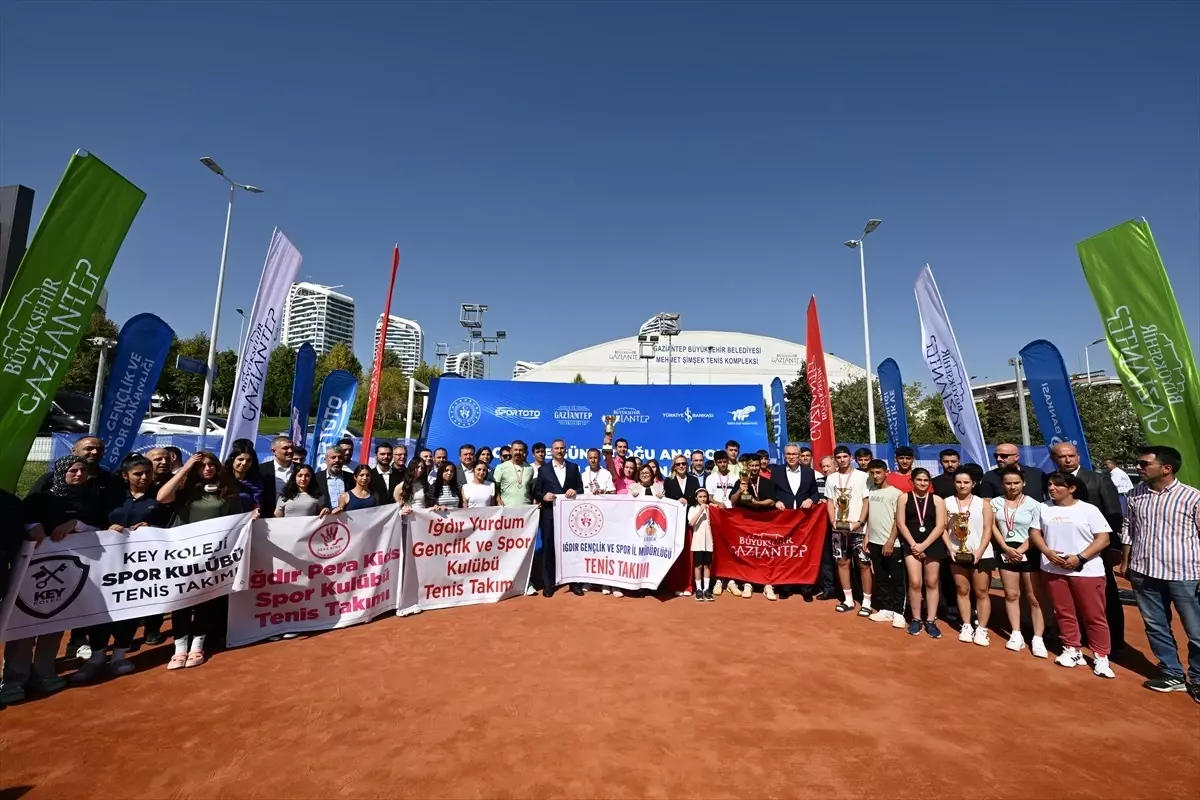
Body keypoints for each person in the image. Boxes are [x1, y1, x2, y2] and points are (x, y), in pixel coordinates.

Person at [2, 456, 106, 701]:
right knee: (25, 624)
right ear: (60, 472)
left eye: (82, 471)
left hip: (71, 573)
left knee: (54, 624)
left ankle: (45, 673)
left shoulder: (91, 499)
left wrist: (77, 524)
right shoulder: (40, 498)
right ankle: (14, 680)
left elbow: (101, 528)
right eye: (73, 470)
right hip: (31, 572)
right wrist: (33, 525)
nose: (79, 474)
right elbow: (20, 519)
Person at [71, 456, 173, 683]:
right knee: (102, 608)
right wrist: (108, 528)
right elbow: (94, 522)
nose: (144, 477)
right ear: (126, 476)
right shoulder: (111, 497)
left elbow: (169, 527)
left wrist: (152, 527)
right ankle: (97, 656)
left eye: (147, 473)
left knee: (131, 607)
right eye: (138, 474)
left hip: (141, 566)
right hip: (106, 564)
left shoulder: (158, 499)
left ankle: (120, 654)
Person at [1118, 446, 1200, 700]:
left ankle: (1197, 678)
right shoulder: (1134, 494)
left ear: (1167, 468)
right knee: (1156, 626)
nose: (1139, 468)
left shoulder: (1192, 498)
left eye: (1144, 464)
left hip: (1185, 574)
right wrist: (1126, 560)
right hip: (1144, 571)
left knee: (1196, 630)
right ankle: (1172, 673)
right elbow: (1129, 528)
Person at [156, 451, 243, 669]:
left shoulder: (228, 492)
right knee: (181, 600)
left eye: (211, 464)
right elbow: (162, 497)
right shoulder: (185, 490)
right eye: (202, 465)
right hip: (182, 555)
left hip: (212, 555)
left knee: (204, 598)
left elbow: (237, 521)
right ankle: (179, 647)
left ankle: (197, 645)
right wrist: (185, 468)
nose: (207, 468)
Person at [1032, 471, 1115, 678]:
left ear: (1071, 488)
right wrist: (1047, 552)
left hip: (1087, 571)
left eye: (1057, 485)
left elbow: (1103, 539)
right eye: (1050, 484)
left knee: (1094, 616)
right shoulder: (1042, 508)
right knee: (1063, 612)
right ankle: (1072, 649)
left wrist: (1080, 558)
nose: (1052, 488)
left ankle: (1101, 657)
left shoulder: (1089, 510)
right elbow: (1035, 533)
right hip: (1053, 569)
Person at [1048, 442, 1125, 653]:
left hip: (1095, 551)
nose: (1067, 460)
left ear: (1078, 456)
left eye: (1071, 456)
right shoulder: (1051, 482)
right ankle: (1073, 639)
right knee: (1065, 598)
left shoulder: (1099, 479)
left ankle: (1115, 642)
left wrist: (1113, 548)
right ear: (1054, 459)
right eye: (1062, 457)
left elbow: (1114, 515)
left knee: (1105, 597)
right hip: (1061, 551)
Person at [991, 466, 1047, 657]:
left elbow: (1036, 531)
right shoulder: (996, 503)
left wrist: (1021, 550)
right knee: (1011, 594)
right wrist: (1005, 548)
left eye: (1016, 483)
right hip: (1006, 551)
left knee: (1034, 597)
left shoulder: (1034, 504)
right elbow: (993, 527)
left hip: (1028, 551)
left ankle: (1038, 638)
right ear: (1002, 484)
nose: (1012, 486)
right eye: (1008, 483)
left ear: (1023, 483)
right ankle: (1016, 633)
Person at [946, 466, 996, 646]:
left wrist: (980, 551)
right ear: (954, 483)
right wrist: (950, 548)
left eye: (966, 482)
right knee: (962, 590)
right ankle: (966, 625)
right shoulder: (947, 502)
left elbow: (988, 529)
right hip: (956, 553)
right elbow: (943, 529)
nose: (962, 485)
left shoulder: (983, 504)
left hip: (981, 553)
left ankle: (982, 629)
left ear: (973, 484)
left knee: (981, 592)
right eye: (958, 482)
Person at [897, 468, 947, 638]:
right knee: (915, 582)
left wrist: (923, 545)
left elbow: (941, 525)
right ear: (912, 481)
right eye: (919, 480)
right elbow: (901, 524)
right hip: (911, 545)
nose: (923, 483)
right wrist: (914, 545)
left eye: (926, 480)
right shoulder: (904, 498)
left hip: (932, 543)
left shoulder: (937, 500)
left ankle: (931, 620)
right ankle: (916, 618)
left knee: (932, 582)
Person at [771, 444, 821, 601]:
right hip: (783, 521)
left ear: (800, 455)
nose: (791, 457)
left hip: (803, 521)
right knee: (785, 554)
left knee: (803, 554)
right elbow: (772, 492)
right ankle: (786, 587)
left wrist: (810, 499)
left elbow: (815, 493)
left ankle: (805, 588)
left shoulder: (809, 472)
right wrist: (776, 501)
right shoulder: (777, 471)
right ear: (784, 456)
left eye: (794, 454)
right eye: (788, 454)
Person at [826, 445, 872, 615]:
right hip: (839, 528)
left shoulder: (863, 476)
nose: (842, 459)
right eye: (838, 457)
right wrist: (832, 521)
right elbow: (830, 501)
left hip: (858, 528)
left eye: (845, 456)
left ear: (851, 457)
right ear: (835, 459)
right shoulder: (831, 478)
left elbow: (867, 501)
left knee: (864, 564)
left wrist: (860, 522)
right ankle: (848, 599)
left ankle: (867, 601)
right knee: (842, 562)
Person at [534, 439, 584, 597]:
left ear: (566, 450)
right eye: (556, 448)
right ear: (552, 450)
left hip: (570, 518)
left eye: (562, 448)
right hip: (549, 516)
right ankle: (549, 584)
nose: (559, 451)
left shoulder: (574, 467)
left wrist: (575, 491)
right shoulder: (544, 470)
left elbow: (581, 488)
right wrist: (544, 496)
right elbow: (536, 492)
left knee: (572, 549)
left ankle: (575, 583)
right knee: (548, 549)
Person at [729, 453, 778, 600]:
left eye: (757, 465)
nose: (755, 468)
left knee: (765, 552)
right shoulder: (741, 481)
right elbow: (733, 501)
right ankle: (747, 583)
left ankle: (767, 585)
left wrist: (756, 503)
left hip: (764, 522)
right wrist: (740, 489)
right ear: (747, 467)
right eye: (752, 466)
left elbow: (772, 501)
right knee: (748, 553)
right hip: (746, 523)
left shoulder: (768, 482)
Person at [865, 460, 906, 629]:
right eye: (872, 473)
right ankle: (886, 609)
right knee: (881, 578)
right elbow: (871, 516)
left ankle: (899, 613)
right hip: (874, 542)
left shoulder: (896, 493)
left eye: (878, 472)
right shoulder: (871, 491)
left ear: (886, 472)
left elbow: (898, 519)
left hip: (892, 543)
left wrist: (890, 541)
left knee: (897, 579)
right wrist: (867, 536)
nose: (875, 476)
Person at [814, 455, 840, 601]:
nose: (825, 469)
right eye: (823, 466)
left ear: (836, 466)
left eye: (828, 466)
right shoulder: (818, 482)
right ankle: (829, 588)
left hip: (846, 526)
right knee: (827, 558)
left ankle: (853, 591)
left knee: (846, 560)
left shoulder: (844, 480)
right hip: (825, 527)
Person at [258, 435, 294, 517]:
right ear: (274, 451)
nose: (290, 451)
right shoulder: (261, 471)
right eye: (285, 448)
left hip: (295, 518)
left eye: (292, 447)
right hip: (267, 518)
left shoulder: (301, 469)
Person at [689, 488, 715, 602]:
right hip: (698, 541)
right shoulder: (693, 509)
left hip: (709, 540)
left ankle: (706, 589)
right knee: (698, 566)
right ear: (696, 498)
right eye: (700, 497)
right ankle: (698, 589)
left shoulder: (711, 508)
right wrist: (700, 511)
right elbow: (691, 523)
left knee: (707, 566)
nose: (703, 499)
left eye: (705, 497)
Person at [224, 439, 263, 513]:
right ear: (233, 460)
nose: (244, 463)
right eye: (240, 459)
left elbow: (257, 506)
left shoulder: (255, 483)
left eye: (248, 460)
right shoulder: (222, 479)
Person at [494, 441, 535, 506]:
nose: (518, 452)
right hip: (507, 507)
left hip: (526, 508)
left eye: (520, 450)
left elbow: (531, 489)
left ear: (524, 452)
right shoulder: (501, 467)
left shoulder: (529, 468)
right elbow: (496, 488)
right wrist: (498, 499)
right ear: (511, 451)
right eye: (515, 450)